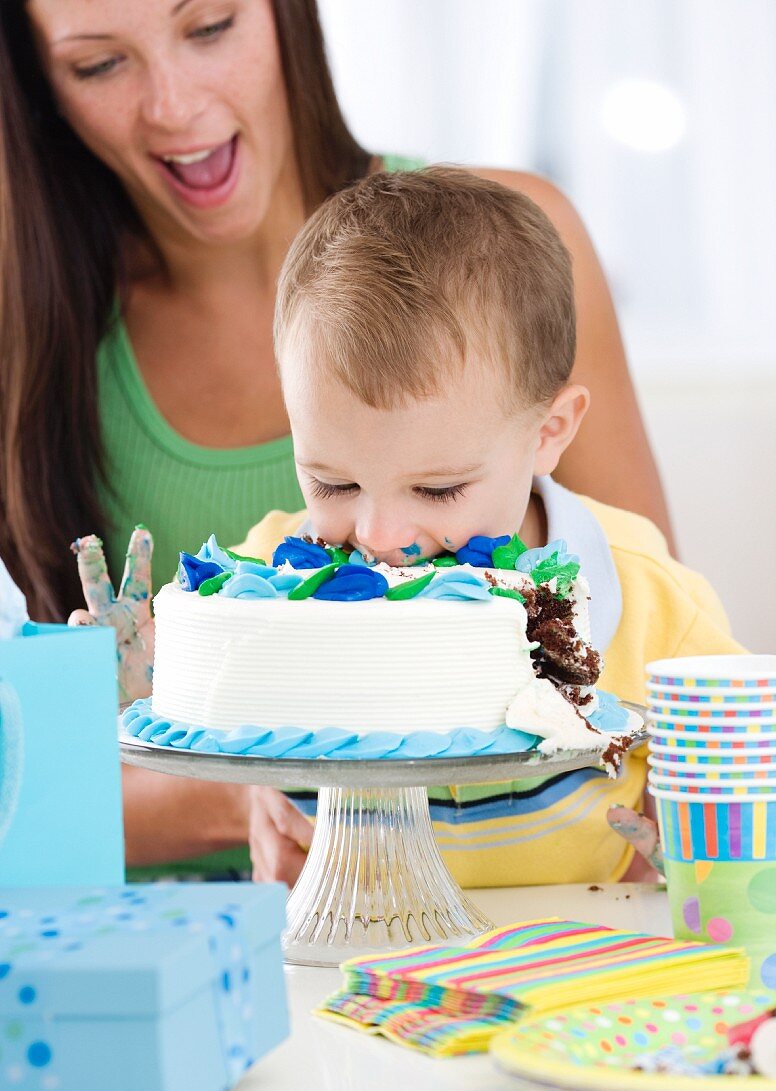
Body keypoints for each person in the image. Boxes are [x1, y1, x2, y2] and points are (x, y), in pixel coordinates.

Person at [1, 0, 673, 877]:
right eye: (99, 64)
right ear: (39, 81)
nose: (173, 104)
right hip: (226, 929)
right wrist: (251, 760)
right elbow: (31, 801)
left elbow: (652, 665)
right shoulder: (32, 323)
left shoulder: (516, 252)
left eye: (209, 26)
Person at [74, 168, 743, 886]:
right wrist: (146, 684)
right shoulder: (258, 590)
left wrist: (709, 848)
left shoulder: (644, 595)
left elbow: (741, 771)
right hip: (349, 962)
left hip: (573, 954)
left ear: (549, 432)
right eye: (334, 481)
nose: (381, 532)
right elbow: (189, 715)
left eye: (438, 488)